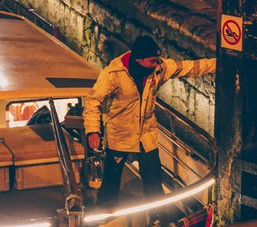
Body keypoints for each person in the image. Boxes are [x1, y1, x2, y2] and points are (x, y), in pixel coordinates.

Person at [83, 35, 216, 206]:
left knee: (154, 180)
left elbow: (189, 67)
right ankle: (105, 212)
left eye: (157, 60)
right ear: (138, 60)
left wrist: (219, 64)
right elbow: (93, 102)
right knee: (111, 179)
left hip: (146, 136)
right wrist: (93, 131)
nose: (157, 64)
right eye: (152, 61)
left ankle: (158, 215)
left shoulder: (159, 69)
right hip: (120, 136)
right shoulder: (113, 74)